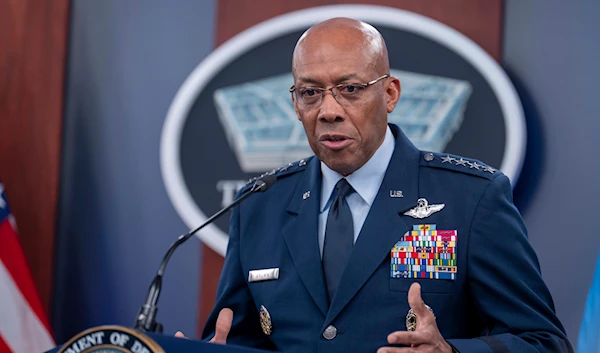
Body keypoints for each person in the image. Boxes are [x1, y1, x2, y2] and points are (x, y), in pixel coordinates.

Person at [196, 18, 572, 353]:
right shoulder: (259, 204)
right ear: (295, 104)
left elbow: (543, 341)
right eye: (310, 92)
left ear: (390, 93)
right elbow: (235, 339)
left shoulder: (471, 197)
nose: (328, 110)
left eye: (350, 89)